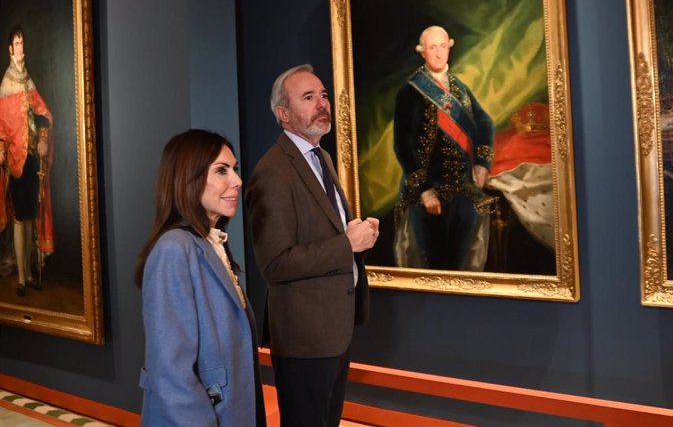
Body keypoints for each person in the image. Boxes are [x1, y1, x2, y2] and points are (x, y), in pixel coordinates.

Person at [246, 64, 379, 427]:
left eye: (323, 95)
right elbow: (275, 263)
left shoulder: (321, 157)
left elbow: (326, 236)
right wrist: (345, 244)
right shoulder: (272, 172)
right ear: (283, 114)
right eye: (308, 97)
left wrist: (359, 236)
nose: (322, 103)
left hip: (334, 329)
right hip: (304, 336)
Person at [135, 129, 266, 427]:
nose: (237, 180)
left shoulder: (209, 243)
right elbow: (170, 372)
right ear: (187, 178)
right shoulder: (173, 250)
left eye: (234, 169)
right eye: (221, 170)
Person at [393, 25, 495, 271]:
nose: (438, 53)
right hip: (428, 195)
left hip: (463, 192)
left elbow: (485, 122)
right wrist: (425, 191)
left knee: (460, 268)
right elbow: (402, 145)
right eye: (432, 48)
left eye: (442, 47)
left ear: (449, 48)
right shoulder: (409, 92)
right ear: (423, 52)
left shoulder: (460, 88)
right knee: (435, 269)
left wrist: (482, 164)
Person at [0, 25, 54, 296]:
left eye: (22, 43)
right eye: (16, 43)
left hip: (33, 159)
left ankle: (31, 272)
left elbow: (43, 114)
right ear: (10, 49)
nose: (21, 48)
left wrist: (43, 139)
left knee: (32, 216)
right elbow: (1, 126)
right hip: (15, 161)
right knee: (20, 219)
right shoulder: (6, 84)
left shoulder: (28, 82)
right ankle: (21, 277)